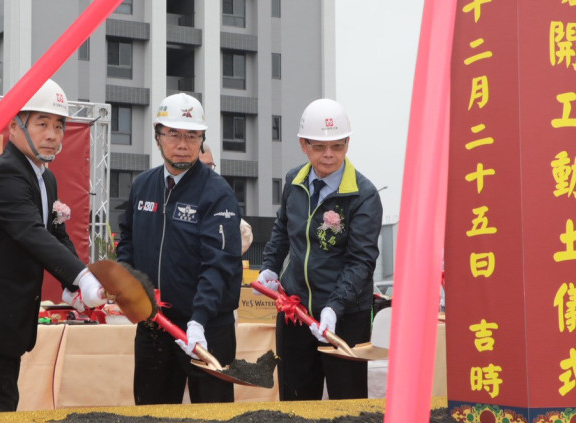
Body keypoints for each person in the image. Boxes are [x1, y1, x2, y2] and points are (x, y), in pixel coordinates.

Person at [0, 79, 106, 412]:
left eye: (59, 125)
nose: (53, 134)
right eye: (42, 124)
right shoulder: (6, 174)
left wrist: (72, 285)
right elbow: (31, 233)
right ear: (14, 127)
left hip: (2, 321)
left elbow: (55, 234)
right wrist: (84, 277)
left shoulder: (45, 177)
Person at [117, 93, 243, 405]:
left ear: (202, 139)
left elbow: (219, 263)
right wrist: (128, 287)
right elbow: (127, 242)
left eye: (192, 135)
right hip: (155, 325)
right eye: (173, 134)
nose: (183, 143)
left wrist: (199, 320)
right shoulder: (142, 186)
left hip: (207, 328)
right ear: (158, 136)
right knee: (151, 420)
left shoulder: (217, 193)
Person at [258, 98, 382, 400]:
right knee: (296, 399)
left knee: (347, 403)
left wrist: (333, 307)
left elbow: (361, 261)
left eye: (337, 146)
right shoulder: (294, 181)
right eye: (319, 147)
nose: (329, 155)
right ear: (303, 145)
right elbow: (281, 230)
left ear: (347, 144)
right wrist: (270, 266)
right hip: (296, 310)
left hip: (345, 317)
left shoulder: (363, 196)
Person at [198, 145, 254, 255]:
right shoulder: (178, 191)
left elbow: (246, 231)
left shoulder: (221, 192)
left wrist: (225, 257)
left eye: (210, 166)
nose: (206, 171)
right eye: (201, 166)